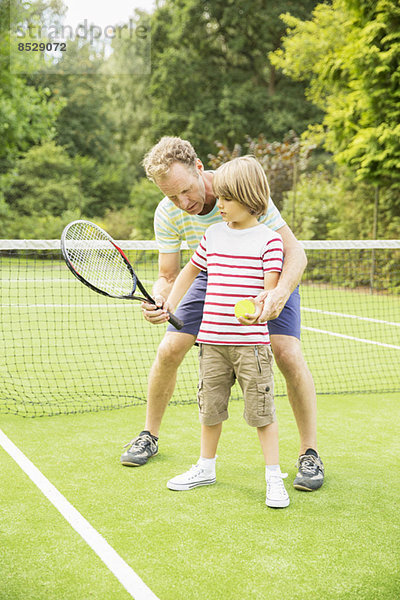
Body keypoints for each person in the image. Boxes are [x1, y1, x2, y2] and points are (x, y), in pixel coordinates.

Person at [120, 136, 324, 492]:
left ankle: (309, 453)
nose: (183, 203)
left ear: (200, 169)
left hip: (266, 275)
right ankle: (149, 435)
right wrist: (162, 299)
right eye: (171, 196)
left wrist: (278, 293)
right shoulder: (168, 214)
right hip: (211, 273)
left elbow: (295, 254)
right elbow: (170, 275)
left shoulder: (240, 191)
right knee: (169, 349)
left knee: (287, 354)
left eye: (185, 190)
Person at [164, 156, 289, 508]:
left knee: (262, 413)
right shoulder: (212, 235)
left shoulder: (270, 242)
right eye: (218, 198)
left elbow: (268, 291)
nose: (217, 205)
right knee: (210, 409)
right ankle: (206, 467)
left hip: (250, 346)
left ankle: (273, 477)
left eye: (226, 200)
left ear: (249, 199)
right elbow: (188, 272)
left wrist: (259, 310)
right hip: (212, 343)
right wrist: (170, 306)